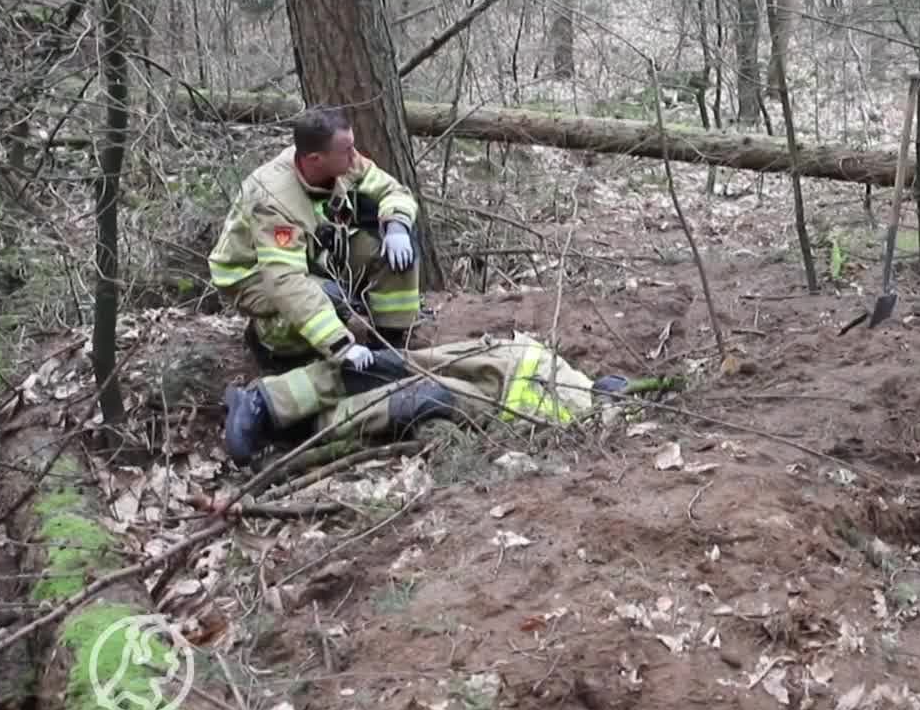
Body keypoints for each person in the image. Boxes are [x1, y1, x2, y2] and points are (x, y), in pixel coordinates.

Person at [207, 106, 423, 373]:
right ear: (316, 160)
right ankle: (272, 345)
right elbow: (286, 281)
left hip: (311, 252)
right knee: (325, 298)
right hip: (252, 275)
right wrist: (340, 344)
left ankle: (390, 339)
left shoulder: (342, 161)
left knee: (391, 249)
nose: (354, 155)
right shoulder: (275, 201)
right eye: (346, 150)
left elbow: (393, 190)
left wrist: (397, 226)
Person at [222, 334, 632, 463]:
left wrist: (613, 405)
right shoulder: (578, 381)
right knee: (385, 365)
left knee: (419, 400)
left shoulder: (593, 420)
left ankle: (298, 432)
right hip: (500, 358)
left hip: (494, 406)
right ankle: (265, 401)